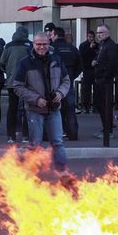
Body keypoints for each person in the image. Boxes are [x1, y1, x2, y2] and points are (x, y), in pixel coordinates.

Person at [13, 32, 71, 173]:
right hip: (34, 110)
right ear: (33, 44)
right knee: (35, 145)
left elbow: (66, 81)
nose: (41, 47)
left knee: (58, 142)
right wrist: (36, 99)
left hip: (54, 109)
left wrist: (60, 93)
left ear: (49, 43)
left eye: (44, 44)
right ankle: (32, 175)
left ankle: (63, 174)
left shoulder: (57, 60)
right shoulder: (25, 63)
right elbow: (17, 86)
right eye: (38, 44)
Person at [0, 26, 32, 143]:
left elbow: (2, 63)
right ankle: (25, 136)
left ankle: (11, 136)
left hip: (12, 82)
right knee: (27, 108)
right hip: (27, 82)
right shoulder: (30, 45)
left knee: (12, 108)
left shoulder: (8, 46)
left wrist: (8, 72)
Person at [50, 27, 82, 140]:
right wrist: (71, 77)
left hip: (54, 84)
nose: (50, 36)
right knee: (70, 110)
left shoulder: (52, 49)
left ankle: (55, 134)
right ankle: (72, 134)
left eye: (52, 34)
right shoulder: (72, 49)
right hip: (68, 83)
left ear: (56, 35)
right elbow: (80, 66)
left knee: (53, 109)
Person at [92, 24, 118, 140]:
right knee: (100, 106)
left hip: (105, 81)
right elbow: (102, 60)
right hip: (99, 79)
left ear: (108, 33)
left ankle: (108, 131)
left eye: (101, 32)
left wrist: (104, 77)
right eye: (97, 33)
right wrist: (95, 62)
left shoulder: (111, 46)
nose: (98, 35)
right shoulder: (102, 45)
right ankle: (105, 128)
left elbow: (112, 64)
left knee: (106, 106)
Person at [78, 31, 98, 113]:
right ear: (87, 37)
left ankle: (96, 106)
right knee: (86, 89)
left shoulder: (97, 45)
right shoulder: (83, 45)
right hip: (86, 69)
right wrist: (90, 48)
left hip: (95, 70)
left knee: (97, 89)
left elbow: (99, 55)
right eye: (89, 37)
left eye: (92, 37)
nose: (90, 38)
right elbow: (82, 56)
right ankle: (85, 106)